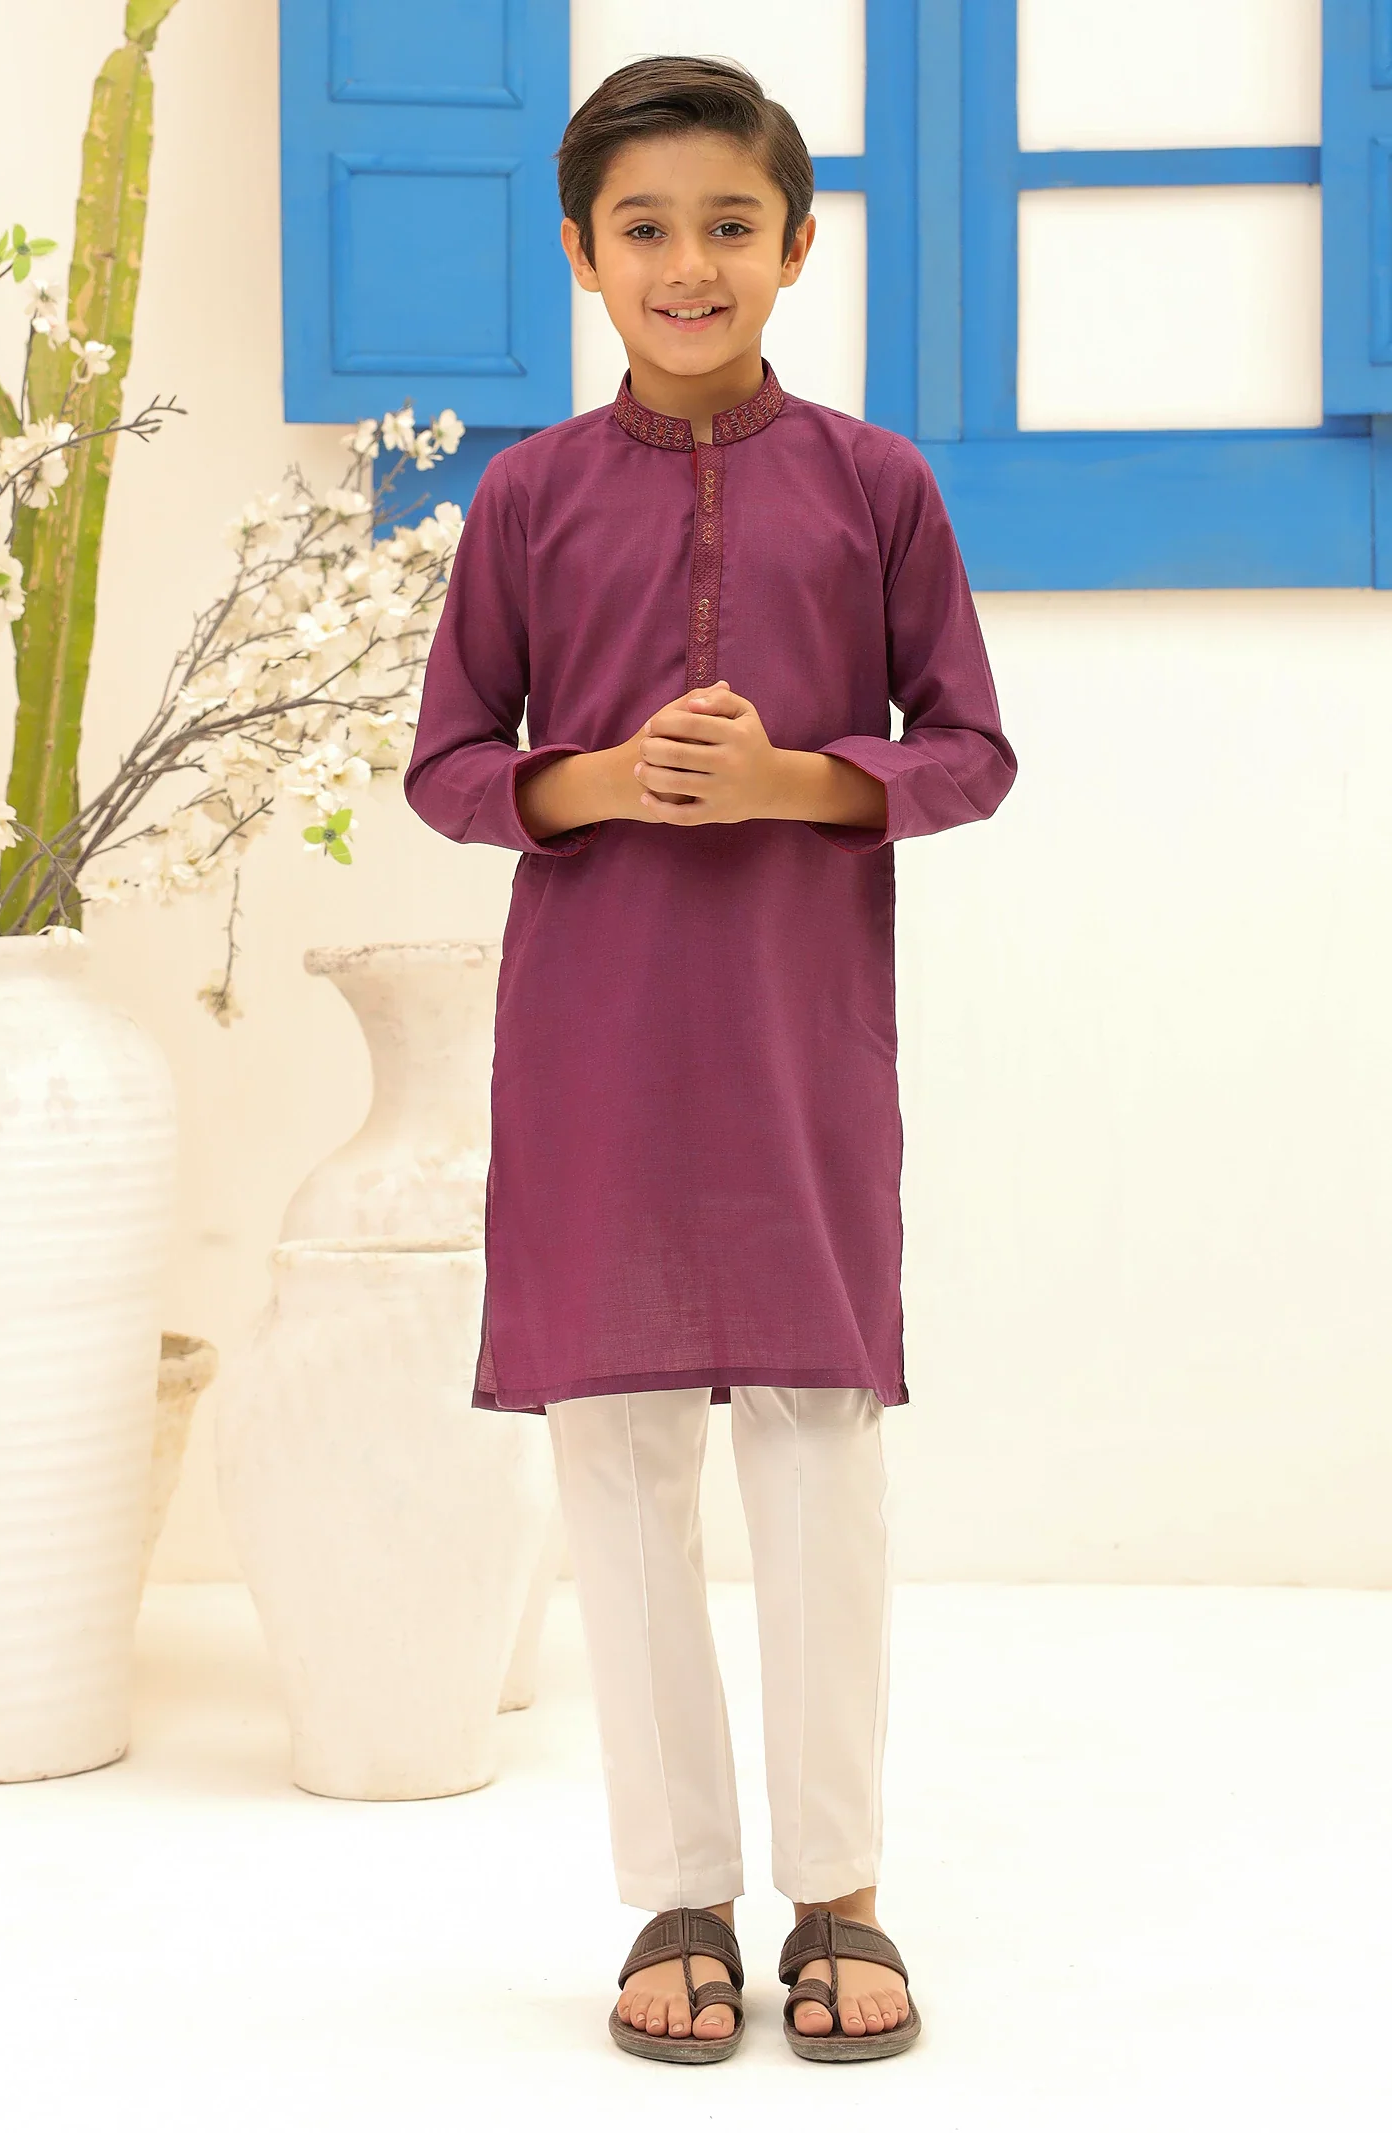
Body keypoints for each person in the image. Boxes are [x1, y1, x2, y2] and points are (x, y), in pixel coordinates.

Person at [403, 53, 1018, 2065]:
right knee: (619, 1448)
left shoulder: (875, 484)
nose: (689, 264)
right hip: (594, 1032)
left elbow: (968, 749)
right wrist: (592, 780)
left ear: (797, 245)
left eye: (728, 225)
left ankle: (839, 1888)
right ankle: (675, 1888)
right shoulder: (526, 498)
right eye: (645, 228)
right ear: (581, 253)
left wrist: (793, 780)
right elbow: (451, 765)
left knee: (820, 1438)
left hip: (796, 1032)